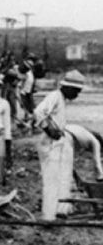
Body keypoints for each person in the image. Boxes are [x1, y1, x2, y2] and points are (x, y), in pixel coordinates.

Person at [33, 70, 86, 221]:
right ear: (68, 87)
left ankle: (61, 209)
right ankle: (48, 216)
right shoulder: (55, 96)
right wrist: (48, 129)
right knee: (52, 179)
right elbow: (38, 112)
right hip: (50, 141)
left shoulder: (61, 99)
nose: (76, 95)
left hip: (59, 140)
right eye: (76, 91)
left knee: (63, 176)